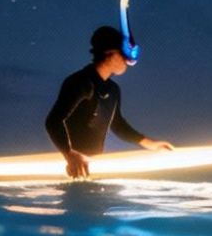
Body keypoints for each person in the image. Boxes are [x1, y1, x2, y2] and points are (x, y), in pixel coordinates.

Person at [44, 24, 173, 178]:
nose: (127, 62)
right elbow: (53, 121)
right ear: (110, 53)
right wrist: (69, 154)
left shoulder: (113, 90)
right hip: (71, 168)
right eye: (124, 55)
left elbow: (117, 124)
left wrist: (151, 144)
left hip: (92, 168)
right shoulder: (81, 83)